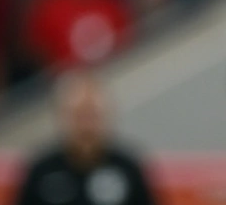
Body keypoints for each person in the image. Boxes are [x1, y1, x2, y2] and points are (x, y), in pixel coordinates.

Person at [12, 71, 157, 205]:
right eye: (79, 115)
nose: (86, 125)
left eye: (92, 115)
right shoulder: (42, 172)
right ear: (62, 116)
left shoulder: (127, 169)